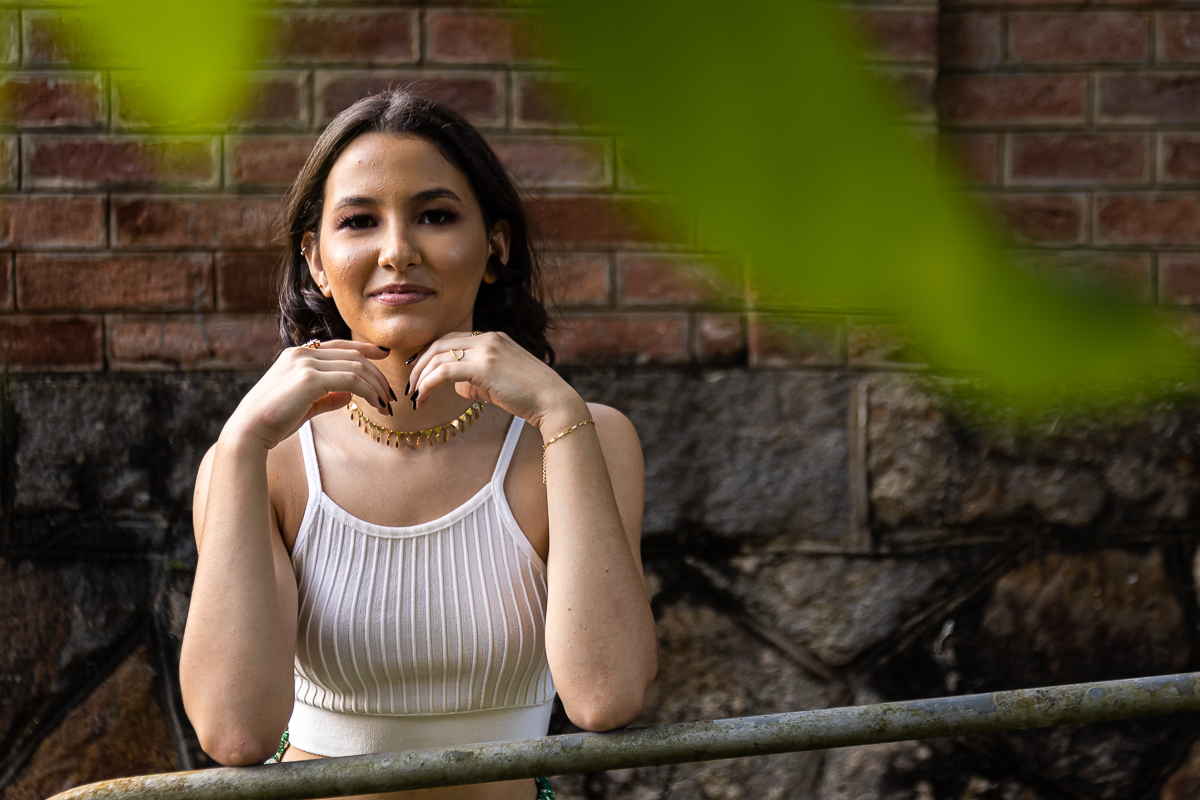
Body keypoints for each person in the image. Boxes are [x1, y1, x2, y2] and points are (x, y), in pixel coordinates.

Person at [179, 90, 659, 800]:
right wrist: (244, 441)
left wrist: (559, 412)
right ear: (315, 258)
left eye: (435, 216)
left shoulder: (585, 437)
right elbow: (235, 733)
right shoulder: (261, 463)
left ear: (495, 245)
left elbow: (605, 697)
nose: (397, 251)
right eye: (358, 221)